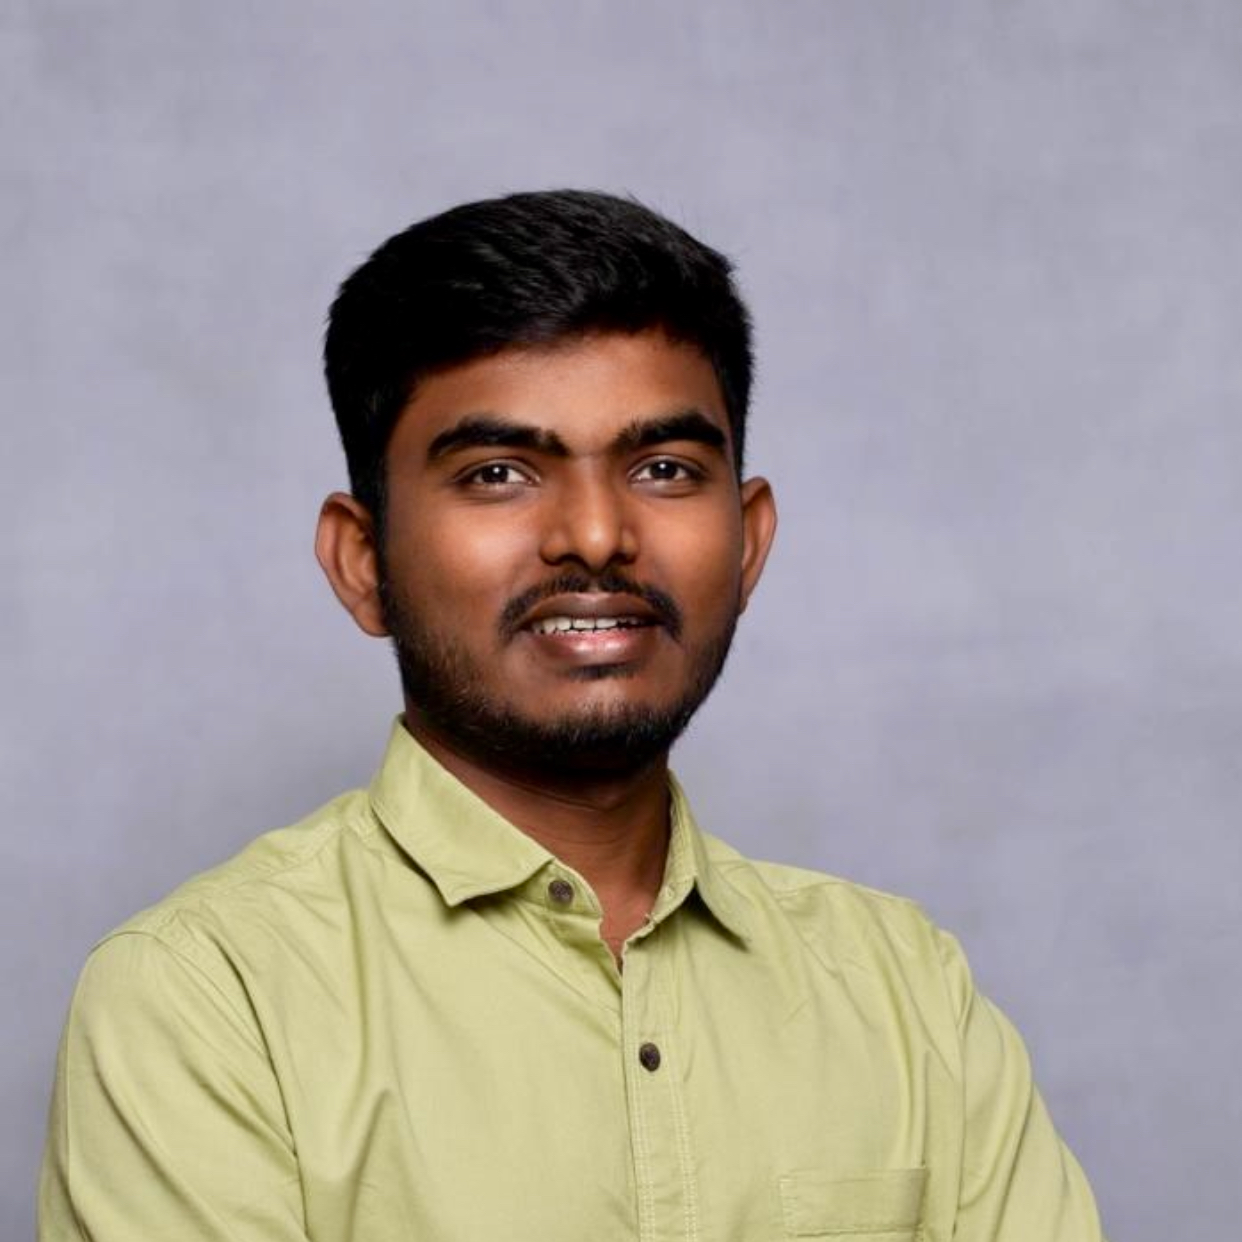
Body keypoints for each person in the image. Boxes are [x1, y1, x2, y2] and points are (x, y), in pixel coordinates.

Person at [38, 189, 1105, 1241]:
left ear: (748, 542)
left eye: (664, 469)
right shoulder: (208, 998)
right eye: (499, 473)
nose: (596, 536)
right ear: (362, 562)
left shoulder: (906, 992)